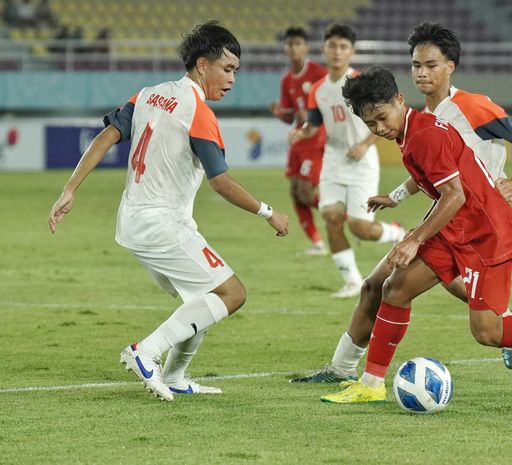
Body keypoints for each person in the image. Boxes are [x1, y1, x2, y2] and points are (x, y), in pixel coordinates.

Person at [48, 21, 289, 402]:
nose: (231, 80)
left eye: (235, 72)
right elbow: (221, 182)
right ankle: (145, 352)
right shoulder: (198, 111)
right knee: (231, 293)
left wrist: (70, 188)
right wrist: (268, 211)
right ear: (201, 64)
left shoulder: (148, 94)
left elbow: (105, 137)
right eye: (226, 69)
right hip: (162, 223)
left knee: (201, 299)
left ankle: (176, 375)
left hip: (133, 220)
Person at [320, 66, 512, 404]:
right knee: (395, 288)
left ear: (400, 101)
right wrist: (395, 198)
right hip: (454, 225)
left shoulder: (424, 135)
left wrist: (414, 238)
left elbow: (455, 194)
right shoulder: (413, 131)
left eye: (382, 118)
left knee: (487, 332)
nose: (379, 129)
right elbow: (432, 178)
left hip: (485, 231)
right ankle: (372, 384)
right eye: (370, 124)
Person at [290, 23, 512, 382]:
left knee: (414, 292)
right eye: (416, 65)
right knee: (380, 286)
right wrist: (396, 196)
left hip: (473, 220)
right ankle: (343, 370)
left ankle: (510, 326)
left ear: (450, 65)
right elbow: (430, 173)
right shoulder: (415, 117)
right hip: (447, 217)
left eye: (431, 65)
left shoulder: (473, 106)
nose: (422, 72)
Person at [289, 24, 405, 299]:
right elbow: (315, 124)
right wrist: (301, 132)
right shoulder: (318, 89)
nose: (337, 52)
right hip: (333, 159)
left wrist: (365, 144)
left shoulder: (362, 85)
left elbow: (385, 120)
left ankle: (398, 233)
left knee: (360, 228)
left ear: (352, 51)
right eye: (332, 46)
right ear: (324, 49)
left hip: (362, 162)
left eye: (343, 47)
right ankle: (353, 280)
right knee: (330, 216)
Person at [270, 27, 328, 256]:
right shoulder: (286, 81)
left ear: (305, 47)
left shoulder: (318, 73)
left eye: (297, 43)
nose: (293, 48)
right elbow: (288, 116)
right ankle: (316, 242)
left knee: (305, 191)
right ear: (285, 48)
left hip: (315, 137)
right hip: (298, 138)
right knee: (295, 192)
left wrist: (313, 116)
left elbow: (330, 103)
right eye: (289, 44)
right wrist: (278, 112)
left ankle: (345, 215)